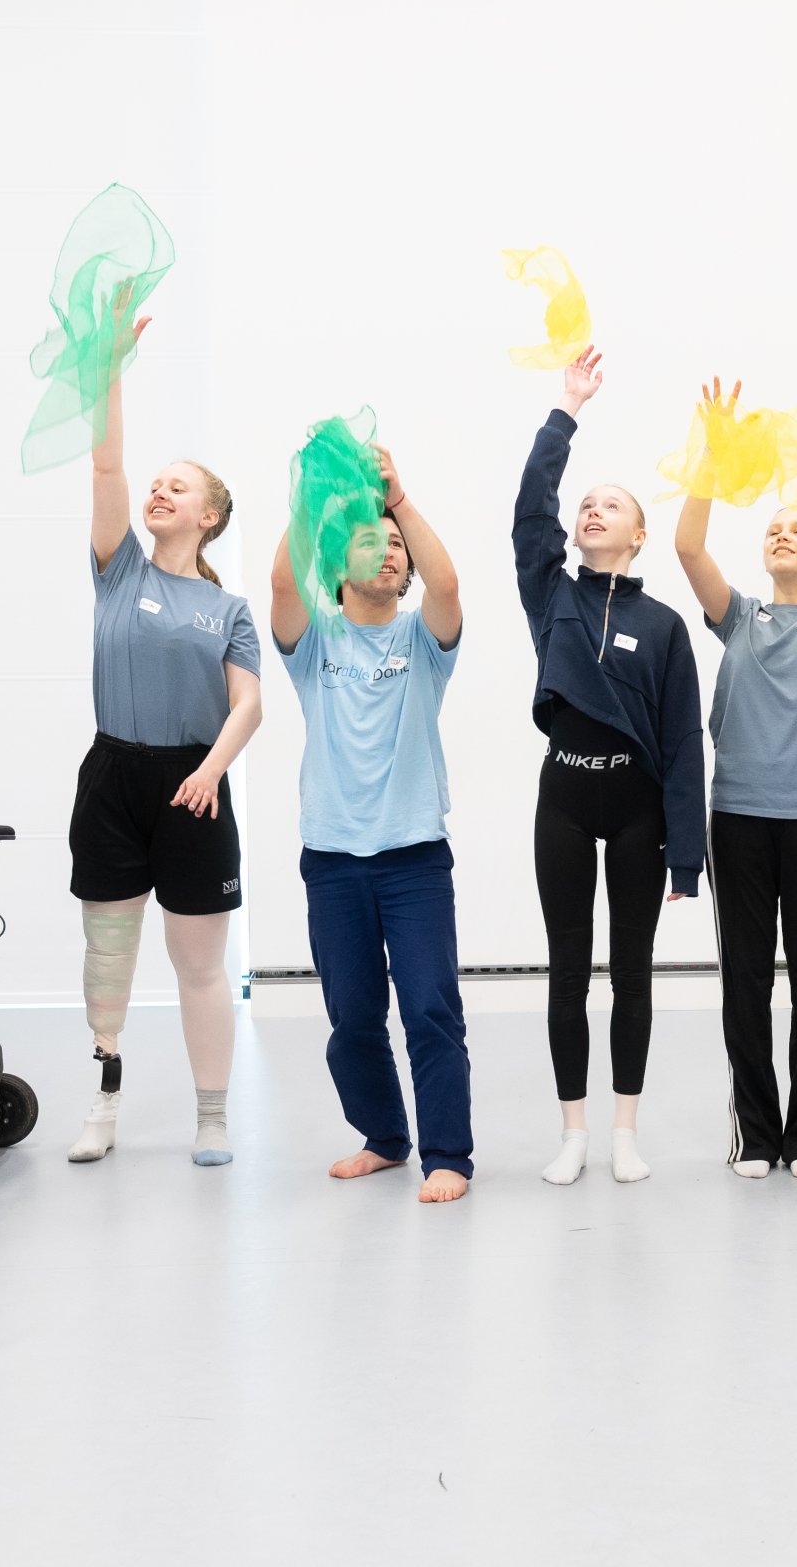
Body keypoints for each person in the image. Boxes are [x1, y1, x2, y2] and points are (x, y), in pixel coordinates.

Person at [63, 300, 262, 1167]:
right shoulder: (119, 571)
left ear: (209, 516)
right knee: (109, 952)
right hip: (114, 776)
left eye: (177, 487)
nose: (158, 491)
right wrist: (108, 369)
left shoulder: (227, 608)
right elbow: (107, 461)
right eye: (158, 483)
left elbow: (248, 703)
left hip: (195, 781)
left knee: (198, 962)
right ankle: (104, 1099)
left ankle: (211, 1114)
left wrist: (214, 769)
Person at [513, 346, 705, 1186]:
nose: (592, 511)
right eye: (585, 503)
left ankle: (625, 1129)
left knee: (631, 971)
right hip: (564, 796)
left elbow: (685, 741)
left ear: (638, 532)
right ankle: (572, 1132)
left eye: (610, 504)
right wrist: (567, 412)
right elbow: (529, 515)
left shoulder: (664, 625)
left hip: (637, 811)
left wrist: (687, 853)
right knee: (567, 968)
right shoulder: (552, 594)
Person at [673, 383, 797, 1179]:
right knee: (746, 982)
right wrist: (710, 460)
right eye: (775, 527)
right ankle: (755, 1130)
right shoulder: (740, 617)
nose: (785, 534)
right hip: (740, 822)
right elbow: (688, 549)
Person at [272, 439, 472, 1203]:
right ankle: (385, 1137)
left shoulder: (424, 642)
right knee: (353, 1016)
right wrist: (314, 502)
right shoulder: (314, 639)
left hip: (414, 857)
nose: (389, 552)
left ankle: (447, 1152)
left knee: (429, 1006)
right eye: (371, 541)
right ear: (336, 563)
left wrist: (398, 499)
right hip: (332, 858)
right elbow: (281, 582)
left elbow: (448, 581)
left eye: (396, 546)